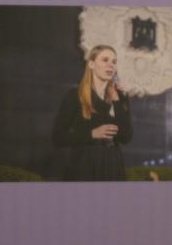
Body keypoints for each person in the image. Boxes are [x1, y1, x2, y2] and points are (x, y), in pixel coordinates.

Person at [52, 45, 132, 181]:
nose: (111, 65)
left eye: (114, 61)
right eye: (105, 60)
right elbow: (58, 138)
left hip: (113, 165)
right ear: (91, 64)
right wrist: (91, 134)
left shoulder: (119, 96)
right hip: (85, 163)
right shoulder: (74, 96)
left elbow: (126, 138)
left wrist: (118, 101)